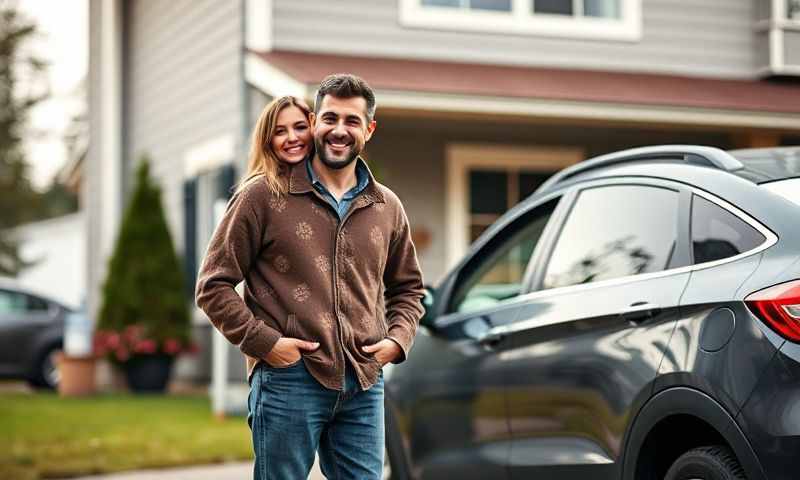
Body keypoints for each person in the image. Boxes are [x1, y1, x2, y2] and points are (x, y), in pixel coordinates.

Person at [195, 73, 425, 479]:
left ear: (368, 130)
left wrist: (397, 340)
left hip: (364, 382)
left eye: (352, 121)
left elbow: (408, 288)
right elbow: (212, 285)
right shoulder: (261, 197)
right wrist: (267, 344)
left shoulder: (387, 206)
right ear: (315, 122)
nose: (339, 130)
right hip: (289, 381)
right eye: (330, 118)